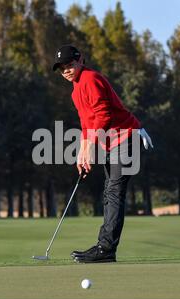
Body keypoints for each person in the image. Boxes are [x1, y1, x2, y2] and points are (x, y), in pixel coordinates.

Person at [52, 45, 153, 263]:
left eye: (69, 65)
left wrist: (90, 148)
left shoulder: (90, 79)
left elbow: (103, 116)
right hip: (113, 143)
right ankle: (104, 247)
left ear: (81, 61)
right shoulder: (76, 89)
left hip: (126, 138)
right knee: (110, 193)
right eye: (62, 69)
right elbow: (87, 123)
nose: (66, 71)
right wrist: (82, 152)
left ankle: (106, 249)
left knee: (114, 193)